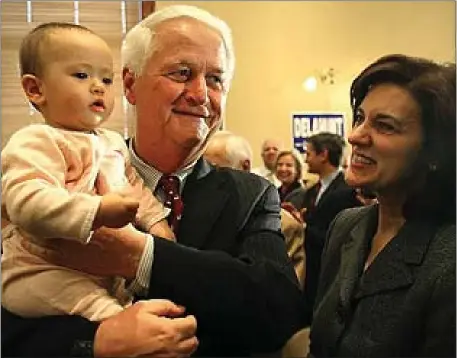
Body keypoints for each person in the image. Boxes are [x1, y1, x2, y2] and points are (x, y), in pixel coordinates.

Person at [2, 6, 304, 358]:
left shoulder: (251, 195)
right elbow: (10, 317)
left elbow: (281, 312)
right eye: (182, 73)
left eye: (215, 79)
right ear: (130, 84)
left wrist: (140, 256)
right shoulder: (57, 169)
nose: (201, 94)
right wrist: (95, 344)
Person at [1, 22, 176, 323]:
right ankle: (118, 323)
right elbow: (26, 203)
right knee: (98, 305)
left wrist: (157, 222)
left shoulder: (111, 143)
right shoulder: (35, 141)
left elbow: (134, 189)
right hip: (38, 270)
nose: (98, 87)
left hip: (101, 272)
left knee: (120, 293)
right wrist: (97, 210)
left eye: (107, 80)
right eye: (82, 75)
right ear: (35, 89)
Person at [309, 54, 456, 356]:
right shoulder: (346, 224)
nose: (354, 136)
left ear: (434, 154)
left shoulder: (449, 260)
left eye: (385, 126)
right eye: (360, 118)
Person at [204, 130, 306, 286]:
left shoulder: (284, 225)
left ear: (245, 166)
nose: (207, 181)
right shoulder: (197, 215)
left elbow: (285, 295)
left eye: (215, 171)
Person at [298, 133, 362, 320]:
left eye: (309, 153)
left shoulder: (346, 191)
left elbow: (340, 235)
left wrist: (303, 227)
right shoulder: (311, 192)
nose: (305, 159)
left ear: (323, 155)